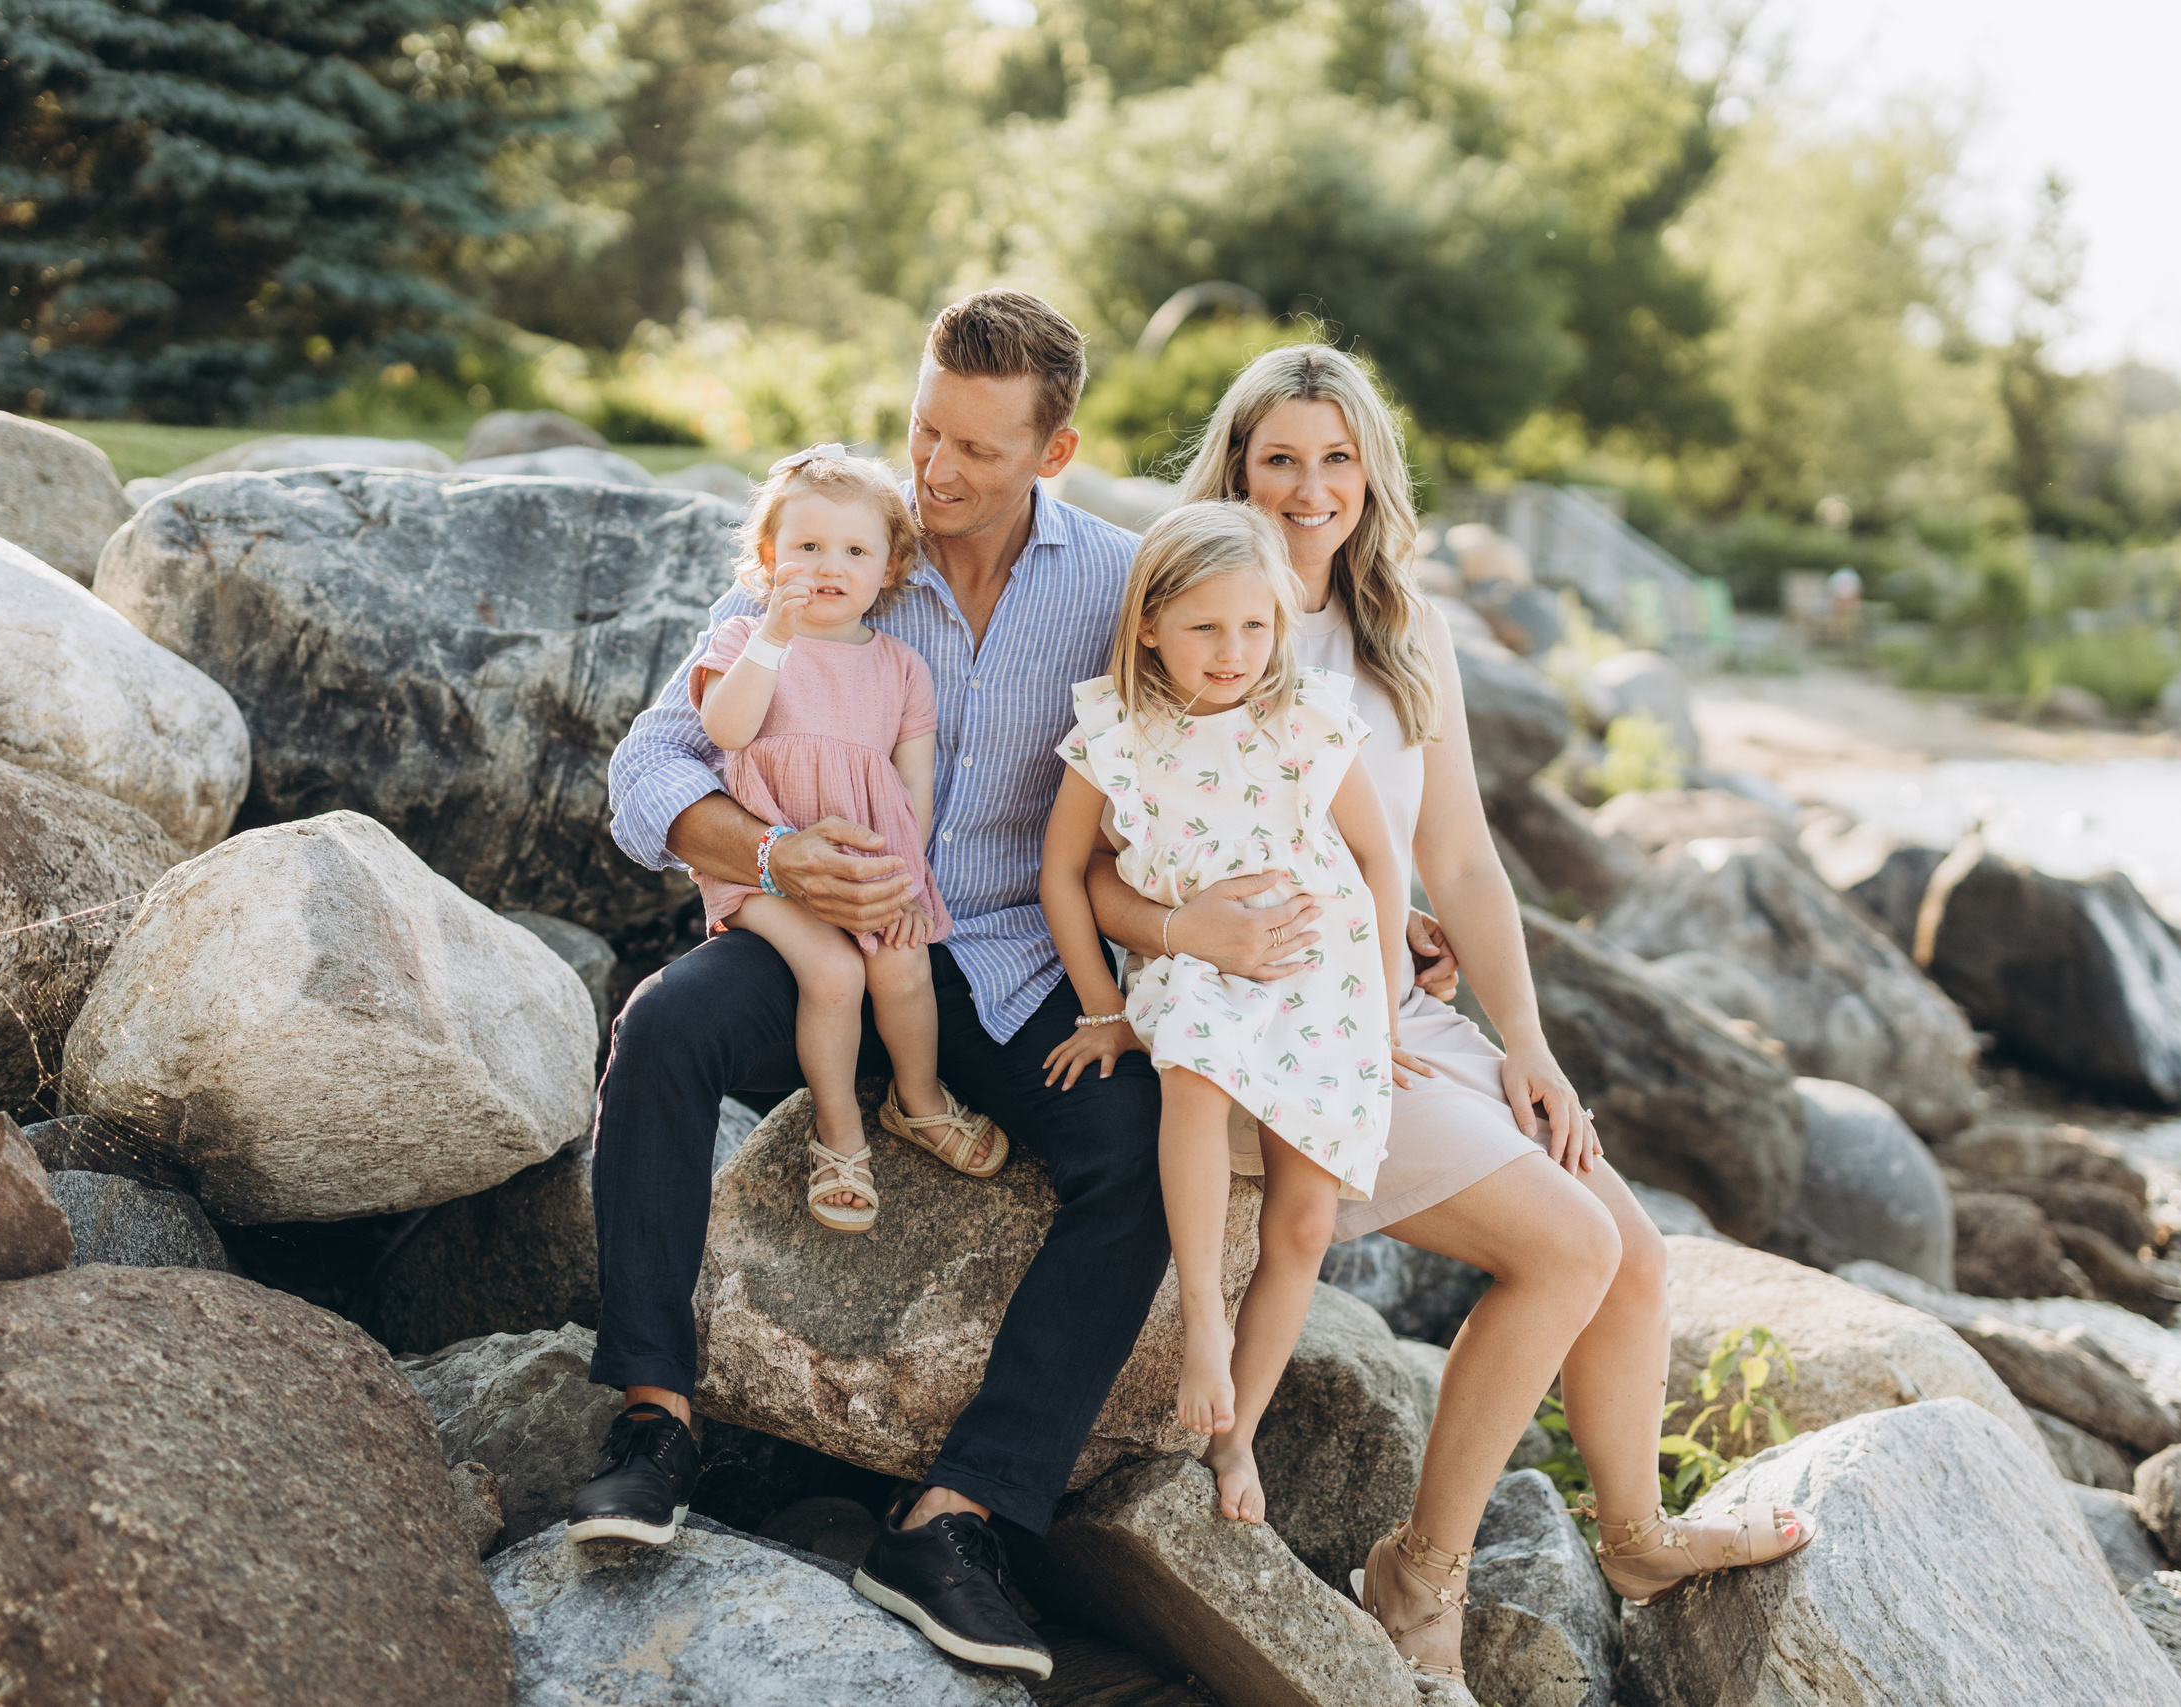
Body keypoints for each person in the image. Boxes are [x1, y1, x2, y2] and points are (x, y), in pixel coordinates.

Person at [575, 289, 1300, 1683]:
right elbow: (648, 768)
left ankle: (953, 1516)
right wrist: (777, 852)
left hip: (1025, 958)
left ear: (1056, 448)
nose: (936, 471)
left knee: (1143, 1157)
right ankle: (653, 1416)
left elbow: (1243, 726)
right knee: (662, 1026)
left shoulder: (1117, 580)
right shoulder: (838, 544)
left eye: (975, 447)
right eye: (924, 431)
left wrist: (1397, 925)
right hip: (828, 937)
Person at [1084, 343, 1815, 1692]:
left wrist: (1527, 1041)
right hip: (1267, 1035)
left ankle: (1639, 1536)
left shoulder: (1403, 626)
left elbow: (1463, 860)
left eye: (1337, 459)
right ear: (1237, 466)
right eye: (1281, 458)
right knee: (1562, 1247)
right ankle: (1422, 1574)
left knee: (1635, 1253)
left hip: (1401, 1012)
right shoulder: (1202, 610)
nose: (1311, 489)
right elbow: (1102, 863)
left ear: (1374, 472)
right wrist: (1194, 929)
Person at [1038, 500, 1411, 1524]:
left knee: (1307, 1217)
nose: (1234, 651)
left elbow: (1381, 862)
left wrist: (1381, 1011)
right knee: (1191, 1061)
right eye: (1206, 627)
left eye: (1255, 627)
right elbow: (1063, 874)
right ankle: (1203, 1318)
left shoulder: (1304, 719)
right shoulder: (1116, 733)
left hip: (1322, 969)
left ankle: (1234, 1439)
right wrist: (1104, 1005)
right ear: (1150, 623)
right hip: (1197, 961)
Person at [678, 443, 1004, 1239]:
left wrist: (905, 873)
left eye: (855, 550)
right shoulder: (747, 642)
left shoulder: (900, 667)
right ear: (769, 558)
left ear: (890, 567)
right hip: (769, 873)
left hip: (872, 866)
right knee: (831, 971)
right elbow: (724, 728)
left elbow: (915, 780)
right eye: (808, 547)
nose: (831, 565)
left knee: (902, 964)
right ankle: (838, 1134)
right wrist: (773, 637)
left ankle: (916, 1100)